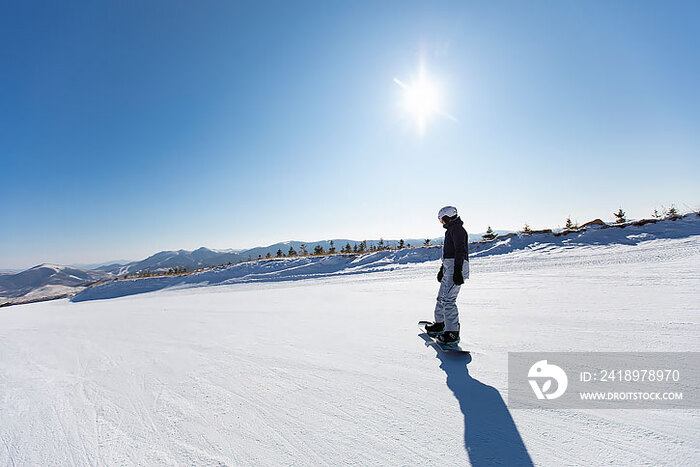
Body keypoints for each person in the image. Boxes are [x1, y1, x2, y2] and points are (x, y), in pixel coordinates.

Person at [425, 206, 469, 345]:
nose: (441, 222)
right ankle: (440, 324)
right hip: (449, 268)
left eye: (441, 219)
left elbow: (460, 251)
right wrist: (442, 268)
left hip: (457, 267)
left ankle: (452, 333)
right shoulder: (451, 230)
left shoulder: (458, 230)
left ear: (447, 217)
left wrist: (457, 270)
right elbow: (448, 253)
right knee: (441, 298)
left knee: (449, 300)